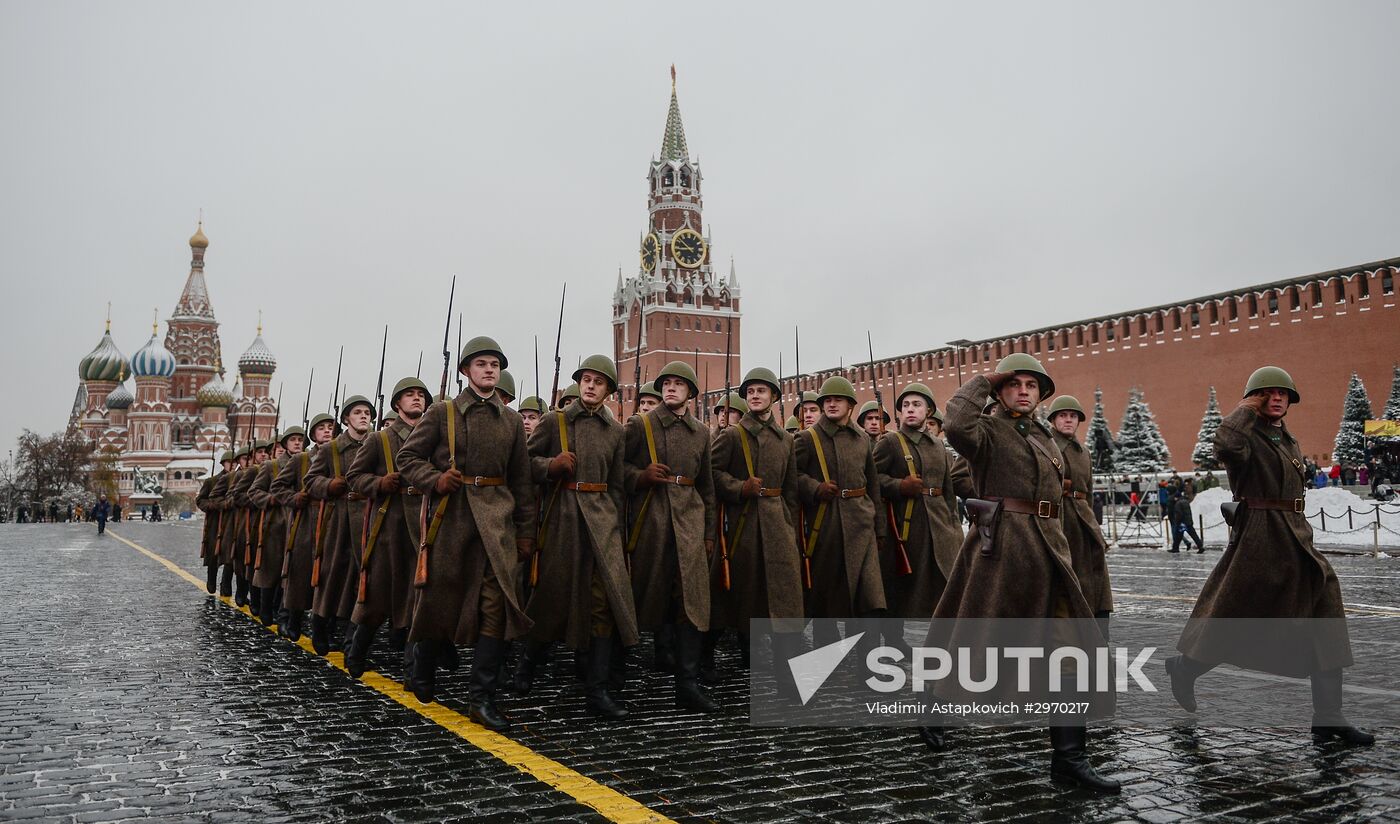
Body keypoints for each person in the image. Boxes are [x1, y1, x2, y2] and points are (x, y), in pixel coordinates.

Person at [922, 353, 1119, 793]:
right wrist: (984, 380)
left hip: (1050, 552)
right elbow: (955, 423)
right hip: (1003, 553)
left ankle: (1069, 760)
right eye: (1015, 384)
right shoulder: (987, 432)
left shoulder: (1047, 438)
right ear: (1001, 390)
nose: (1024, 390)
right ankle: (934, 701)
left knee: (1071, 655)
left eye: (1032, 384)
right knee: (979, 645)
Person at [1168, 366, 1373, 747]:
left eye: (1282, 393)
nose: (1276, 398)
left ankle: (1329, 716)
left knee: (1325, 613)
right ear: (1253, 399)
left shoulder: (1288, 439)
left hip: (1295, 536)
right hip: (1259, 542)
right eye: (1266, 393)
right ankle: (1184, 668)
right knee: (1236, 621)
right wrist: (1245, 408)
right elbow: (1226, 445)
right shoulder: (1245, 435)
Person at [397, 336, 536, 729]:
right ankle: (422, 666)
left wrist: (525, 532)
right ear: (465, 371)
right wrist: (435, 479)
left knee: (496, 606)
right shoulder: (443, 413)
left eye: (494, 364)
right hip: (452, 518)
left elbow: (522, 481)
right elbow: (407, 457)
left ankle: (482, 698)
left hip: (497, 522)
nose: (489, 370)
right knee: (441, 597)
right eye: (481, 364)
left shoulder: (510, 420)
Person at [515, 355, 638, 719]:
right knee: (552, 595)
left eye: (598, 382)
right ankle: (528, 664)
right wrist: (550, 466)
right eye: (585, 379)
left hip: (602, 523)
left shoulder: (616, 432)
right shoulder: (555, 421)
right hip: (563, 519)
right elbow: (524, 464)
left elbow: (616, 486)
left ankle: (597, 690)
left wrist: (615, 527)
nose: (589, 386)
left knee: (602, 604)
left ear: (608, 391)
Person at [622, 360, 719, 713]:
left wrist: (708, 533)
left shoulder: (701, 433)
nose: (671, 388)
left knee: (692, 602)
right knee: (643, 596)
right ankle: (613, 675)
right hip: (652, 522)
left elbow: (707, 486)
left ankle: (687, 684)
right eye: (667, 383)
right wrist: (640, 477)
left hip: (690, 524)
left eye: (679, 384)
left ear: (691, 392)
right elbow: (618, 471)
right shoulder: (640, 425)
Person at [709, 367, 805, 697]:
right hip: (743, 527)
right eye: (750, 391)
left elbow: (791, 490)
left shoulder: (786, 441)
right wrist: (739, 488)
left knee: (785, 603)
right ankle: (709, 662)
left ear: (775, 397)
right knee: (739, 595)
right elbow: (713, 473)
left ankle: (786, 678)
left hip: (778, 527)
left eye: (762, 391)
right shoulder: (733, 435)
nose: (755, 395)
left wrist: (789, 528)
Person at [343, 378, 431, 679]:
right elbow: (354, 477)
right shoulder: (380, 440)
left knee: (418, 598)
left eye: (421, 395)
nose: (416, 399)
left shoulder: (433, 437)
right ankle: (356, 652)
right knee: (377, 597)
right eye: (410, 395)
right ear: (397, 404)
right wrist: (379, 483)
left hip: (423, 524)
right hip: (389, 527)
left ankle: (412, 671)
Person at [794, 376, 887, 661]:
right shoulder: (807, 439)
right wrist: (814, 488)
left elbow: (873, 486)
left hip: (862, 524)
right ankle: (826, 660)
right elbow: (791, 478)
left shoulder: (861, 439)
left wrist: (880, 528)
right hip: (826, 526)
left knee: (869, 601)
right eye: (827, 400)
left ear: (850, 405)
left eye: (838, 400)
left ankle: (867, 665)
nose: (832, 404)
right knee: (827, 601)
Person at [872, 382, 962, 658]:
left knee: (943, 585)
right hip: (906, 525)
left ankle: (942, 641)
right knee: (902, 585)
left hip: (939, 525)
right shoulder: (889, 442)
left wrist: (954, 526)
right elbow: (872, 479)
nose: (911, 410)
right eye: (906, 406)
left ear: (929, 412)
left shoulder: (939, 446)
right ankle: (894, 638)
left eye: (917, 405)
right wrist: (899, 486)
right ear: (899, 413)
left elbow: (948, 490)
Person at [306, 396, 375, 656]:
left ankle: (351, 640)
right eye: (357, 412)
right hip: (338, 520)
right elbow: (310, 481)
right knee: (331, 577)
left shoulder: (376, 444)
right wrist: (328, 486)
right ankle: (320, 625)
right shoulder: (331, 450)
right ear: (346, 419)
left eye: (367, 412)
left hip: (368, 518)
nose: (364, 416)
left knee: (362, 580)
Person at [1046, 395, 1113, 637]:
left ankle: (1097, 628)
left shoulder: (1083, 451)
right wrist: (1057, 486)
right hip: (1060, 520)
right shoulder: (1046, 445)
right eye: (1063, 416)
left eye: (1073, 416)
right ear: (1053, 420)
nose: (1068, 420)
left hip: (1084, 520)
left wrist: (1094, 522)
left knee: (1095, 580)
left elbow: (1090, 490)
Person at [275, 413, 336, 642]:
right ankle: (291, 618)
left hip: (332, 519)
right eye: (321, 428)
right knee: (299, 573)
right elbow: (278, 487)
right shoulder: (300, 460)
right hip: (305, 521)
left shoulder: (338, 455)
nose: (327, 431)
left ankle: (325, 627)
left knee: (329, 574)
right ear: (313, 434)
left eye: (330, 427)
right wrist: (294, 498)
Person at [198, 452, 235, 593]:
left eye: (235, 462)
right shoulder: (211, 482)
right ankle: (211, 580)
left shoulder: (238, 479)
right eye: (229, 462)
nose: (232, 465)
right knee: (214, 554)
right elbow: (200, 500)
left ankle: (226, 584)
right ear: (223, 464)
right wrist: (214, 505)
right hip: (215, 523)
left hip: (232, 522)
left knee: (230, 555)